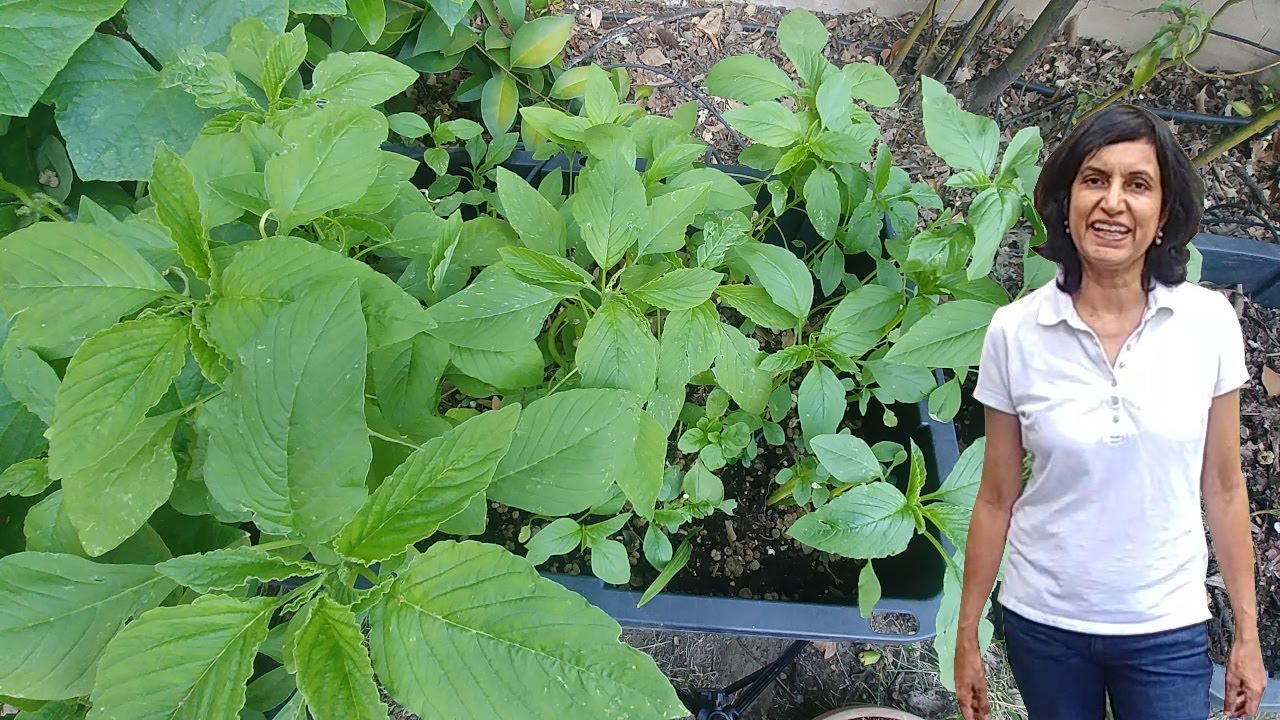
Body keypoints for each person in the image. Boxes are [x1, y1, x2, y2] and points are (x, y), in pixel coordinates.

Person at [953, 103, 1268, 719]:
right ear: (1065, 203)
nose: (1113, 202)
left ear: (1165, 214)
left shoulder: (1207, 325)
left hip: (1165, 625)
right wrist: (967, 633)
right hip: (1043, 621)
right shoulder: (1016, 331)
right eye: (1095, 180)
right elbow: (995, 496)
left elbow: (1226, 488)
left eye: (1138, 184)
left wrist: (1247, 637)